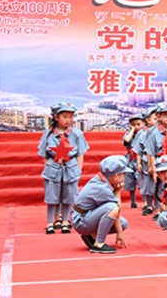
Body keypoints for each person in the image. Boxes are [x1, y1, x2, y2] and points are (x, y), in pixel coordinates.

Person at [38, 102, 89, 235]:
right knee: (51, 197)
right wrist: (48, 169)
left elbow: (80, 154)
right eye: (65, 117)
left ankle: (66, 221)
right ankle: (50, 222)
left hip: (71, 169)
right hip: (53, 168)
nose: (68, 120)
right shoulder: (48, 134)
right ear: (56, 117)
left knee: (69, 197)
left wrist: (78, 171)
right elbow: (44, 155)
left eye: (70, 117)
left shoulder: (76, 134)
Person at [72, 155, 130, 254]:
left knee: (123, 223)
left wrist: (120, 230)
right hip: (81, 220)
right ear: (116, 176)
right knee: (112, 208)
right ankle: (99, 244)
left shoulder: (103, 180)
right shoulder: (102, 188)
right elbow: (116, 208)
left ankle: (91, 236)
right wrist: (117, 191)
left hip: (85, 215)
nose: (125, 177)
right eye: (124, 174)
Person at [122, 113, 146, 209]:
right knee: (130, 181)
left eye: (138, 124)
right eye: (133, 124)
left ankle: (145, 202)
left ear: (143, 124)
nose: (136, 126)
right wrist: (131, 130)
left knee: (142, 181)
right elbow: (126, 141)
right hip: (129, 160)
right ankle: (133, 201)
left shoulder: (145, 134)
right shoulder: (128, 134)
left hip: (140, 159)